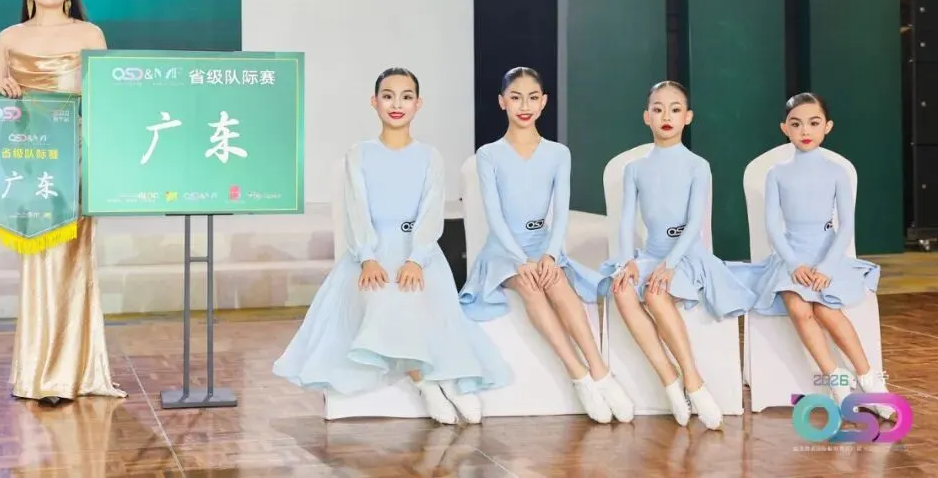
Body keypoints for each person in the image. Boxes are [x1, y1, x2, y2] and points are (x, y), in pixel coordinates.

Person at [274, 68, 511, 424]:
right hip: (369, 253)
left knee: (427, 304)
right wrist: (367, 258)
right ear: (374, 102)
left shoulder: (430, 156)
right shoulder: (359, 154)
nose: (396, 104)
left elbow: (430, 212)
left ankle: (452, 380)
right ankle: (427, 383)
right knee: (384, 300)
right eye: (388, 96)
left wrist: (416, 259)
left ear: (418, 104)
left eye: (405, 96)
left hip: (419, 253)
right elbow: (356, 210)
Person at [0, 0, 124, 405]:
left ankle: (70, 373)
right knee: (37, 259)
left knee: (70, 258)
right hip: (30, 162)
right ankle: (37, 372)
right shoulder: (8, 37)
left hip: (76, 160)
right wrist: (3, 90)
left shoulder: (89, 34)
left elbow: (106, 100)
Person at [459, 67, 634, 424]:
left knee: (555, 282)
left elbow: (560, 212)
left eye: (532, 98)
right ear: (502, 102)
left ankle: (600, 371)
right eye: (516, 97)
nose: (524, 106)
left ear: (544, 102)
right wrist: (520, 260)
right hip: (504, 250)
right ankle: (579, 376)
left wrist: (551, 255)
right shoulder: (489, 154)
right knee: (530, 286)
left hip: (543, 244)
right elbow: (495, 217)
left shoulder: (558, 154)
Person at [598, 80, 755, 430]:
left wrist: (669, 265)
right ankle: (669, 380)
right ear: (647, 116)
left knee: (656, 293)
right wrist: (627, 261)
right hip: (650, 254)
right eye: (658, 109)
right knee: (621, 289)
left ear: (688, 117)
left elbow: (693, 223)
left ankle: (694, 382)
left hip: (686, 255)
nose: (666, 116)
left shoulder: (697, 165)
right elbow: (625, 220)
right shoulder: (635, 169)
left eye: (675, 109)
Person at [734, 92, 892, 419]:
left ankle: (871, 382)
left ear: (827, 127)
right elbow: (772, 227)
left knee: (826, 308)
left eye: (813, 123)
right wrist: (794, 264)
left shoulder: (837, 172)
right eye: (796, 124)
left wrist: (827, 267)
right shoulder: (777, 173)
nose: (805, 130)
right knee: (798, 307)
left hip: (827, 256)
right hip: (791, 257)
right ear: (785, 128)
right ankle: (837, 380)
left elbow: (846, 225)